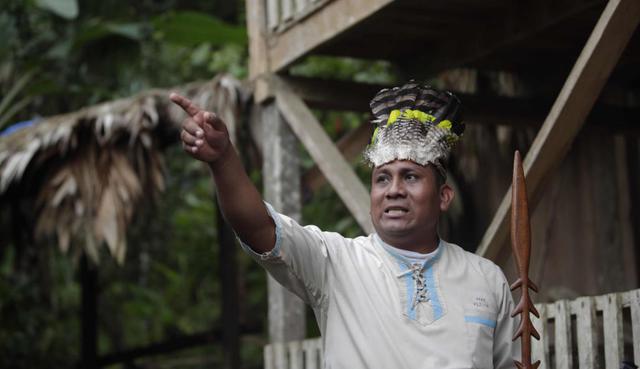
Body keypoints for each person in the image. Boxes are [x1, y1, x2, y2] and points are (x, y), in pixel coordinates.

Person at [170, 81, 518, 369]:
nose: (394, 190)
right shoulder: (335, 263)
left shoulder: (486, 279)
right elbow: (257, 227)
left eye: (410, 177)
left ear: (443, 196)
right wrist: (223, 159)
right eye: (382, 179)